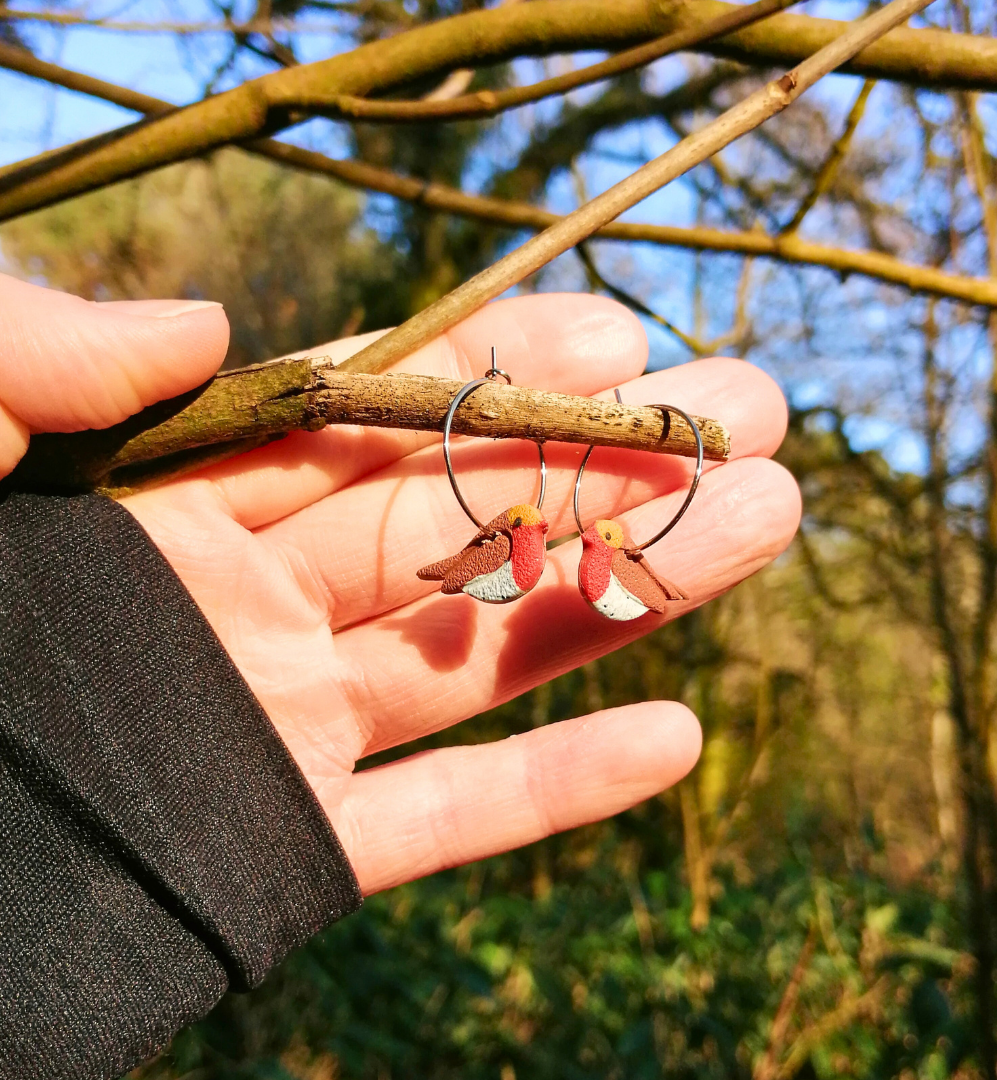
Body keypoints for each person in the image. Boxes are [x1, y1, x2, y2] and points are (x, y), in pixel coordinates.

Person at [0, 272, 799, 1079]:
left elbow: (607, 573)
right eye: (526, 522)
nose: (535, 524)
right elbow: (481, 561)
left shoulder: (592, 551)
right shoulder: (520, 541)